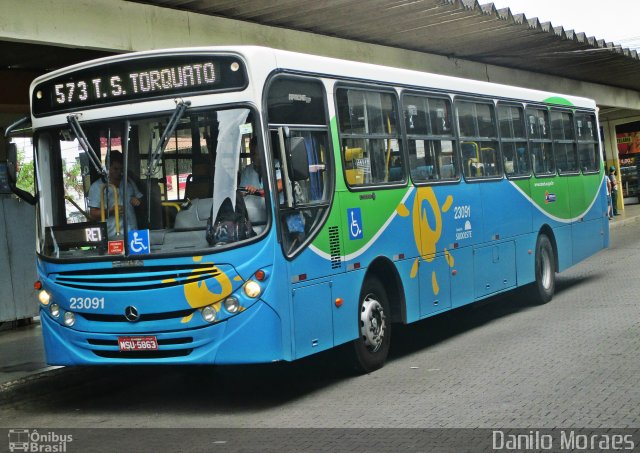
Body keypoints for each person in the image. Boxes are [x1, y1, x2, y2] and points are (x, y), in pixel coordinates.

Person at [87, 151, 143, 237]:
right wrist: (111, 211)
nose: (119, 172)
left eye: (121, 169)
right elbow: (93, 214)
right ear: (107, 166)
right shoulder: (97, 187)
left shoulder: (128, 181)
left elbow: (139, 198)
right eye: (116, 169)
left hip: (134, 234)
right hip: (112, 236)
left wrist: (137, 201)